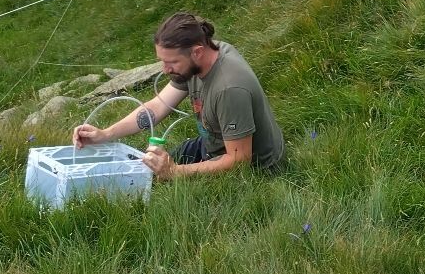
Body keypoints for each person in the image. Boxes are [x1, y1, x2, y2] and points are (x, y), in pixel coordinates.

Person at [70, 12, 285, 180]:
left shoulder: (229, 88)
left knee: (163, 184)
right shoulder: (198, 60)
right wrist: (105, 134)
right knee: (147, 174)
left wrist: (175, 172)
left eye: (171, 62)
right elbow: (156, 107)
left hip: (254, 169)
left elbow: (239, 161)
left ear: (197, 51)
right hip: (212, 147)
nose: (165, 70)